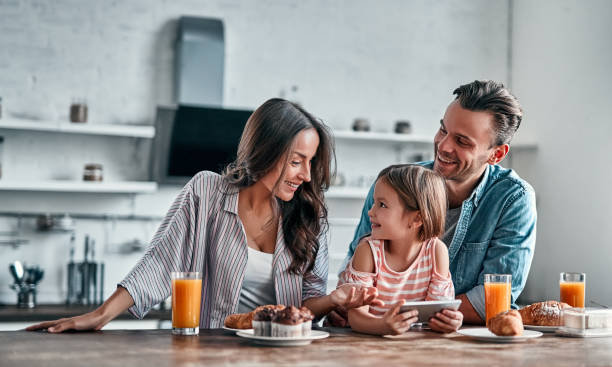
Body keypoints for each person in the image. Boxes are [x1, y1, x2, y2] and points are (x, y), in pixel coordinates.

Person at [27, 98, 381, 333]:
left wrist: (334, 300)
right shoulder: (207, 192)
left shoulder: (309, 217)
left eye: (310, 162)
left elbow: (307, 306)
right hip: (210, 350)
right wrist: (99, 316)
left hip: (281, 355)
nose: (305, 174)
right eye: (295, 160)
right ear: (265, 151)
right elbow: (161, 261)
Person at [331, 80, 537, 326]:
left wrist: (388, 314)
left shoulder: (513, 198)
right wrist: (349, 306)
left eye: (462, 141)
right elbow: (355, 272)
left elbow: (492, 300)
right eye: (443, 129)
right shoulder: (395, 184)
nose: (443, 145)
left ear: (496, 154)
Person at [339, 164, 462, 335]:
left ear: (417, 217)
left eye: (382, 205)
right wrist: (383, 326)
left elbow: (436, 316)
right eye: (374, 202)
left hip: (410, 346)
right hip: (365, 343)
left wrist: (449, 321)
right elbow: (356, 318)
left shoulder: (436, 252)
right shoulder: (368, 251)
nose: (370, 211)